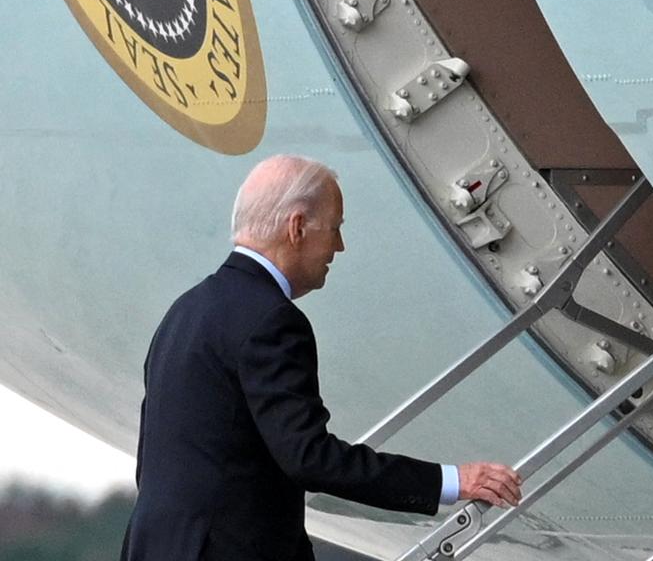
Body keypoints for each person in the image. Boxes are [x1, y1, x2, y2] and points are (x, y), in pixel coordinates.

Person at [120, 155, 522, 561]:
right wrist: (451, 481)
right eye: (335, 228)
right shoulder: (271, 320)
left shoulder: (185, 311)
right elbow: (310, 458)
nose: (339, 246)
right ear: (296, 228)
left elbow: (158, 463)